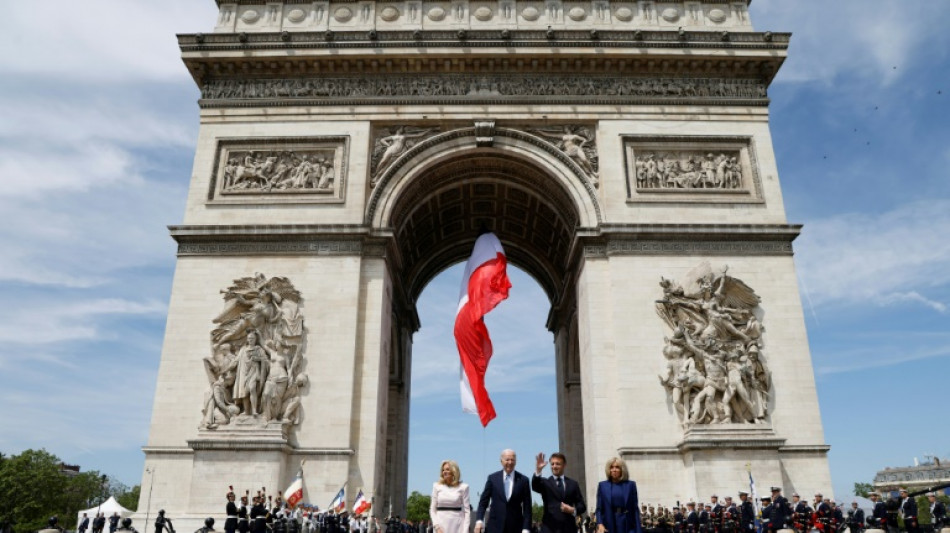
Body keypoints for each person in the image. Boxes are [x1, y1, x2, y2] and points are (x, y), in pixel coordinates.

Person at [476, 449, 532, 533]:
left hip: (515, 528)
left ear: (516, 461)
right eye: (507, 459)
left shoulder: (523, 480)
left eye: (512, 460)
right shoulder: (492, 479)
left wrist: (526, 529)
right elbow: (483, 502)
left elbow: (527, 508)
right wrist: (479, 520)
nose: (510, 462)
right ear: (501, 461)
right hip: (494, 527)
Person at [532, 452, 587, 533]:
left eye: (557, 464)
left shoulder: (573, 484)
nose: (554, 466)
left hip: (569, 529)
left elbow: (582, 505)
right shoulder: (545, 483)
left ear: (564, 465)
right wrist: (538, 470)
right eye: (552, 464)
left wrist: (573, 510)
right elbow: (535, 486)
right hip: (549, 529)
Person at [595, 457, 643, 533]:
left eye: (617, 467)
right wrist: (600, 524)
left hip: (627, 523)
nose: (614, 470)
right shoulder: (602, 486)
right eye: (611, 467)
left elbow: (635, 509)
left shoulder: (631, 485)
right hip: (609, 522)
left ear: (622, 469)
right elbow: (599, 509)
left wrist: (638, 530)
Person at [430, 460, 471, 533]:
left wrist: (465, 531)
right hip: (440, 527)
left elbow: (467, 512)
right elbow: (432, 510)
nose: (444, 472)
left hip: (458, 526)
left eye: (447, 469)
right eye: (443, 470)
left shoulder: (464, 487)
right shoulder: (436, 486)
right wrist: (437, 527)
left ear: (454, 471)